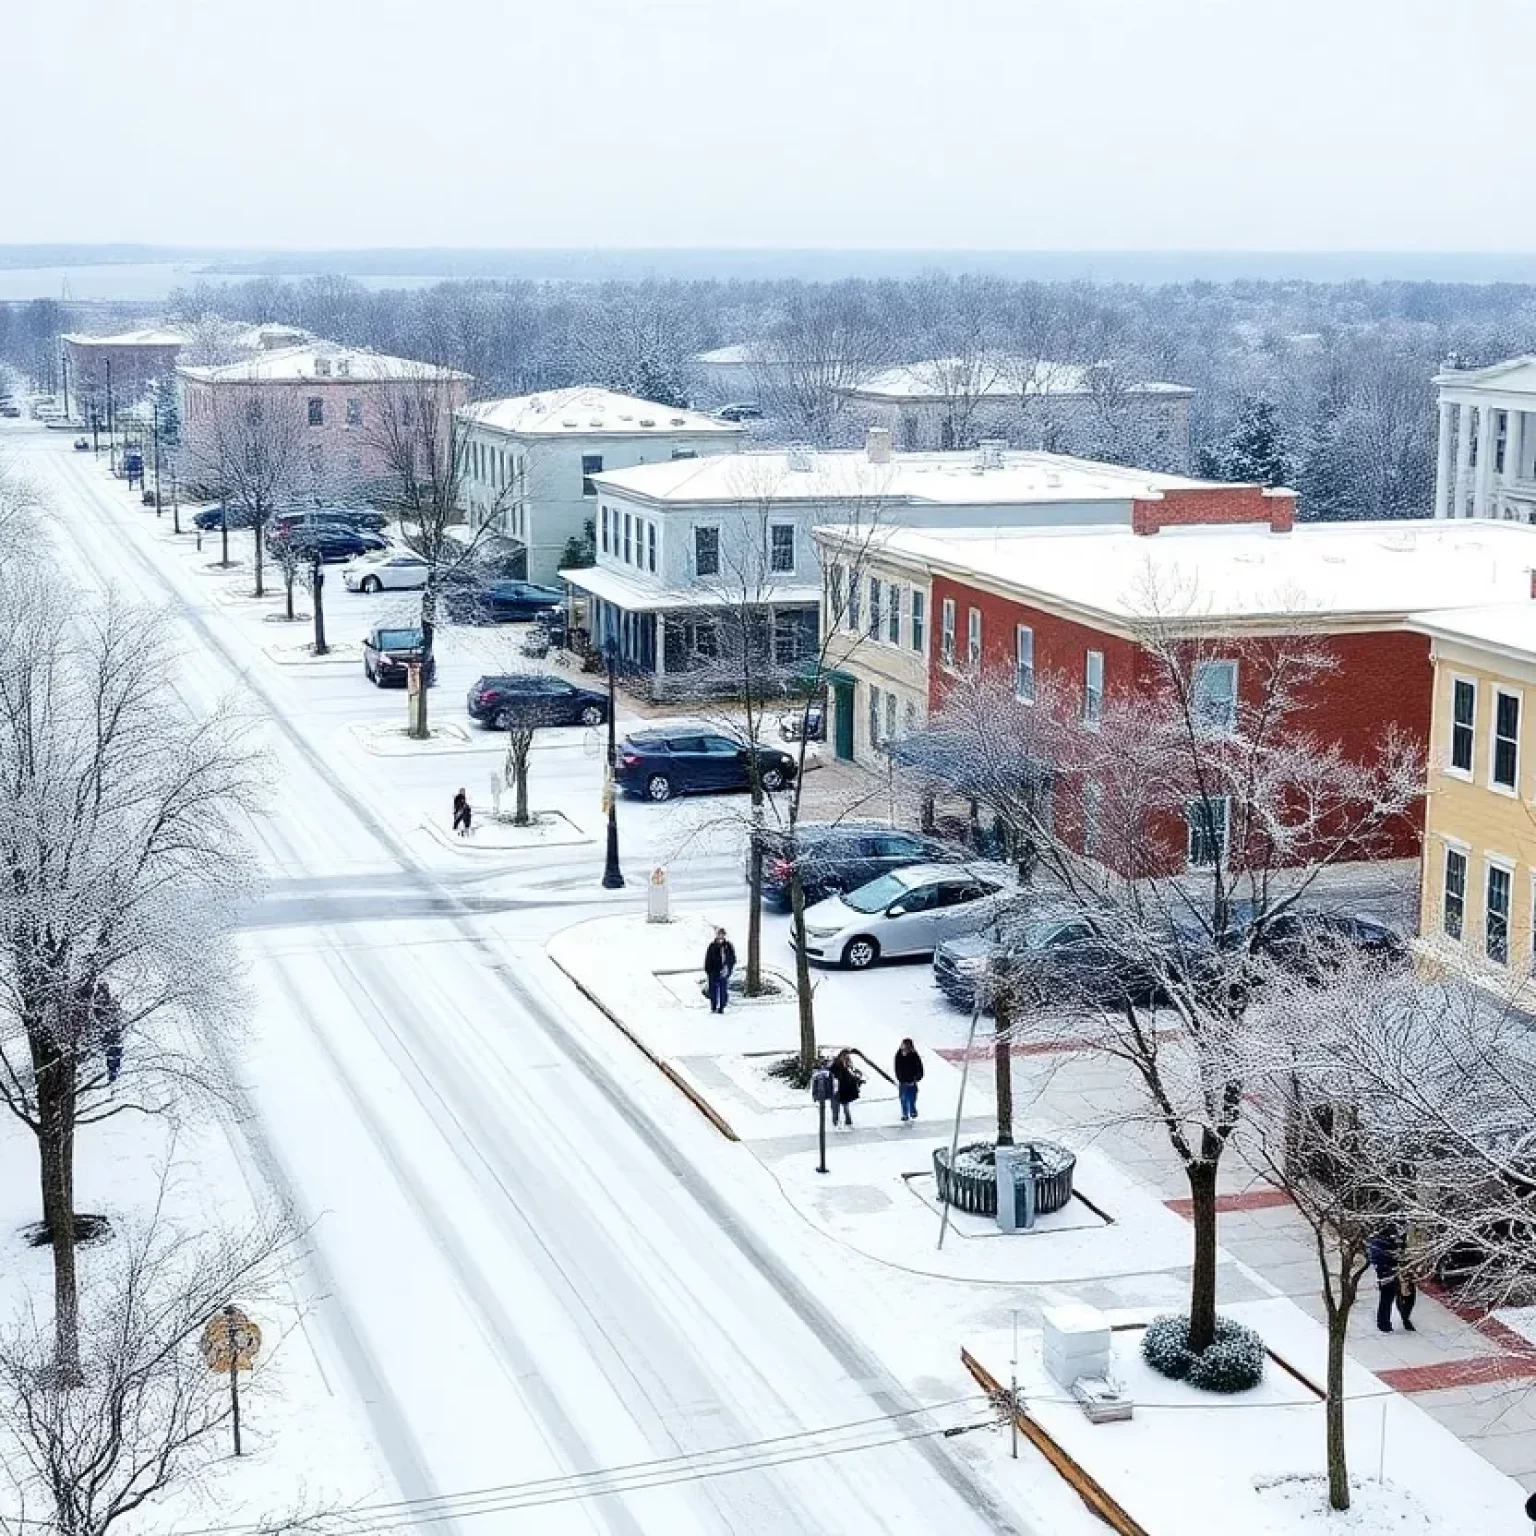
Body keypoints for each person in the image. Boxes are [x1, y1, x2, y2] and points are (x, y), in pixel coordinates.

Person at [1368, 1223, 1405, 1333]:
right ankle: (1384, 1324)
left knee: (1386, 1299)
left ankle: (1384, 1322)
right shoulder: (1385, 1245)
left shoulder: (1377, 1242)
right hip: (1387, 1273)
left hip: (1383, 1273)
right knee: (1387, 1298)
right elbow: (1389, 1257)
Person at [703, 928, 736, 1014]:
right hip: (713, 971)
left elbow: (732, 958)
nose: (720, 936)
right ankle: (713, 1007)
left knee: (723, 991)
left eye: (722, 934)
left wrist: (728, 968)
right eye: (719, 934)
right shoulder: (712, 945)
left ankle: (721, 1007)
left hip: (723, 972)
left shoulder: (728, 946)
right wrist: (708, 970)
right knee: (713, 990)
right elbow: (708, 958)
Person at [894, 1039, 924, 1123]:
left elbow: (919, 1067)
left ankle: (912, 1110)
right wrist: (900, 1078)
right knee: (903, 1098)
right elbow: (897, 1068)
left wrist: (917, 1078)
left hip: (912, 1081)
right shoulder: (899, 1055)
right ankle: (905, 1114)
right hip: (903, 1081)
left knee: (912, 1097)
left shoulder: (914, 1055)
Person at [830, 1048, 862, 1129]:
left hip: (846, 1090)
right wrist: (843, 1068)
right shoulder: (836, 1064)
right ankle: (835, 1122)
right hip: (837, 1089)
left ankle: (848, 1121)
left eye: (847, 1056)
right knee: (835, 1107)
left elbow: (851, 1076)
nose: (845, 1058)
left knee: (846, 1107)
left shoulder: (848, 1065)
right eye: (844, 1056)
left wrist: (856, 1080)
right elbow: (836, 1075)